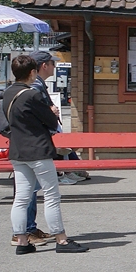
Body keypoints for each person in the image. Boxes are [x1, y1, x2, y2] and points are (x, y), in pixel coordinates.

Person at [1, 54, 88, 254]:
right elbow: (50, 121)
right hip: (38, 150)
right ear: (32, 72)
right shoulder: (32, 94)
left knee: (21, 197)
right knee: (51, 195)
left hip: (17, 151)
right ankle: (61, 240)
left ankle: (22, 241)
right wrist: (54, 113)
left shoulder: (8, 93)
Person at [30, 50, 88, 185]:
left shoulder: (38, 83)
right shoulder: (36, 85)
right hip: (40, 136)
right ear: (44, 66)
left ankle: (66, 171)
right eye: (52, 63)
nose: (55, 67)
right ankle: (64, 172)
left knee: (63, 143)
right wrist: (51, 111)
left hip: (41, 136)